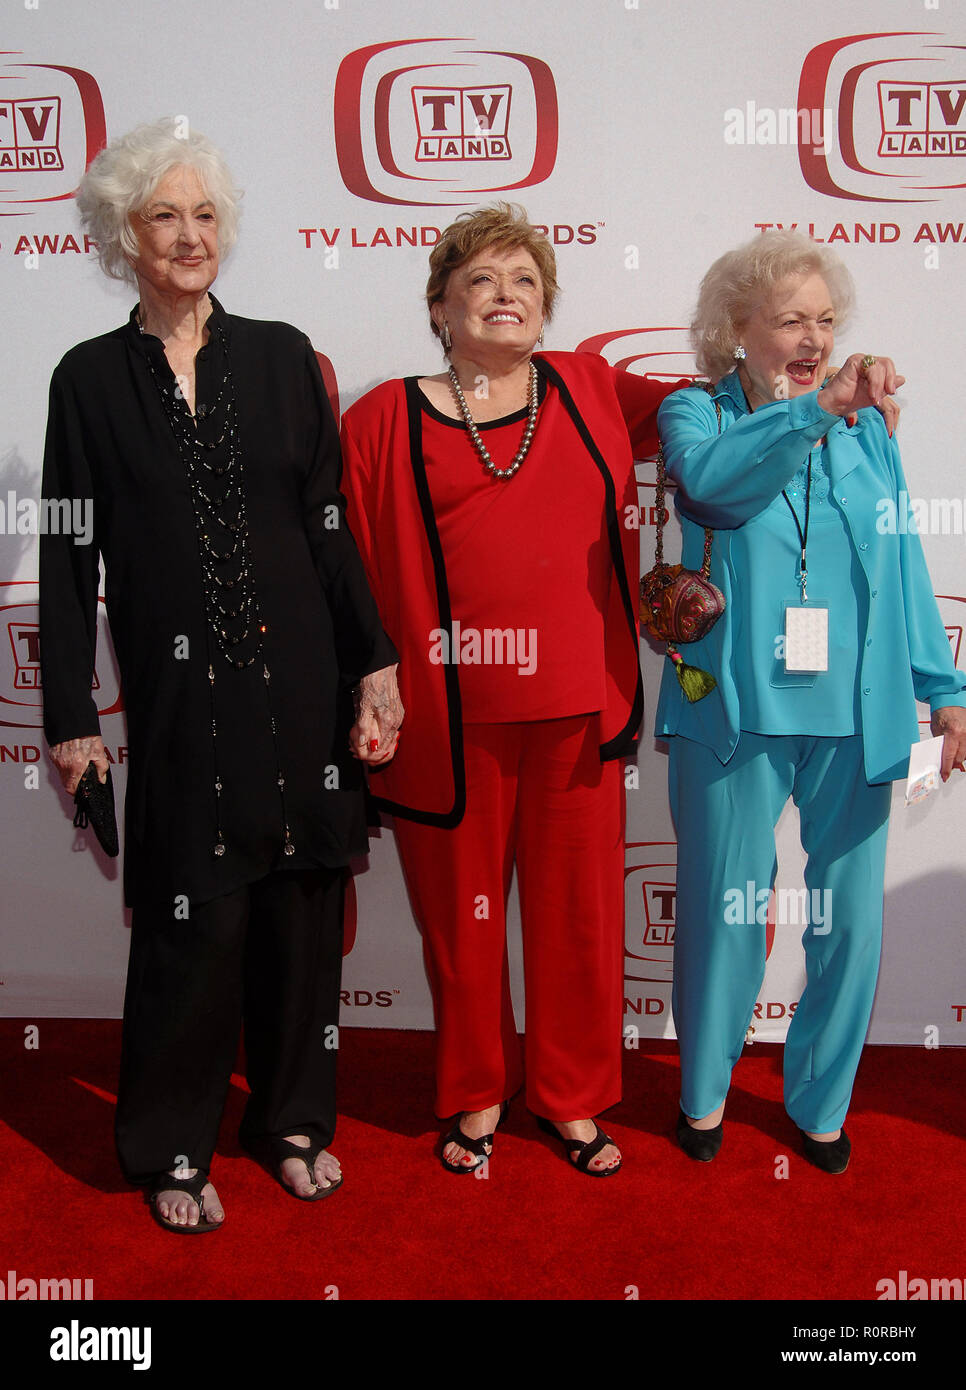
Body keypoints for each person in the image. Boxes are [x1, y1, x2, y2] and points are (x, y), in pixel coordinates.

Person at [40, 118, 401, 1231]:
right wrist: (69, 713)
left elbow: (330, 525)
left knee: (301, 909)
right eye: (163, 215)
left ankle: (292, 1120)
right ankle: (170, 1143)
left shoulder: (285, 355)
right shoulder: (89, 378)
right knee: (192, 920)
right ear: (121, 235)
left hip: (301, 674)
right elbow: (66, 549)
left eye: (204, 215)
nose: (189, 235)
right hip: (181, 692)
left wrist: (375, 662)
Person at [340, 203, 685, 1176]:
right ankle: (478, 1094)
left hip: (577, 714)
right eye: (483, 281)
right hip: (445, 729)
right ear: (440, 306)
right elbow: (337, 561)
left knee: (578, 923)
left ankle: (573, 1099)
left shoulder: (585, 386)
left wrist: (802, 384)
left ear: (547, 307)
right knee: (465, 926)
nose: (507, 296)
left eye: (526, 281)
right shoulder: (382, 417)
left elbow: (707, 412)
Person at [655, 229, 966, 1172]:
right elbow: (710, 492)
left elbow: (902, 558)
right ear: (735, 328)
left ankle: (822, 1101)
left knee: (850, 925)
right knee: (723, 912)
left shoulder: (869, 430)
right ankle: (705, 1094)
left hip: (854, 714)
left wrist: (945, 690)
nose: (812, 336)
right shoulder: (694, 412)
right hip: (734, 712)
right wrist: (811, 412)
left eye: (825, 320)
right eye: (789, 318)